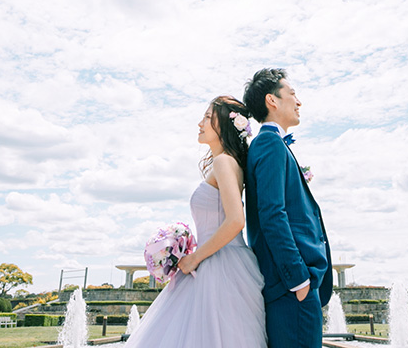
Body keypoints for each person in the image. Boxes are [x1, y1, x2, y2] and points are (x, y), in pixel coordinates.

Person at [126, 95, 267, 348]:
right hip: (221, 260)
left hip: (219, 265)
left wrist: (194, 257)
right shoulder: (226, 163)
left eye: (207, 117)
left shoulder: (224, 162)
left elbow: (236, 221)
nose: (199, 123)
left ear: (223, 125)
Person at [242, 68, 333, 348]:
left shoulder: (270, 143)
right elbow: (272, 215)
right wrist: (298, 280)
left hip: (292, 289)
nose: (298, 101)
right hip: (291, 288)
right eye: (292, 93)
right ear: (272, 101)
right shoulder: (269, 144)